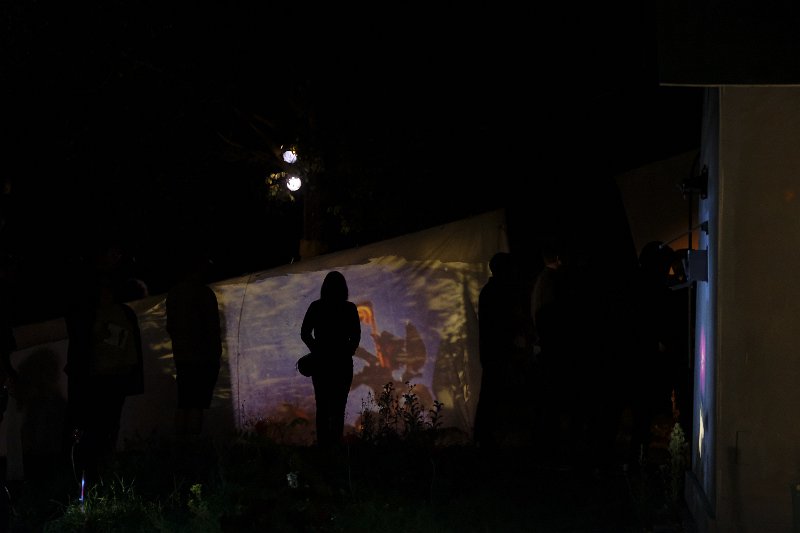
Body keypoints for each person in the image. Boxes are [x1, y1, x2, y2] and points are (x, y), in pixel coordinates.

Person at [63, 243, 145, 484]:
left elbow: (130, 349)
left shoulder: (122, 314)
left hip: (113, 379)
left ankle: (100, 472)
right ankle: (88, 474)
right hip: (96, 380)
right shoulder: (87, 315)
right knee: (93, 429)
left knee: (108, 427)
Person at [473, 252, 535, 449]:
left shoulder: (491, 291)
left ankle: (485, 436)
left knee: (491, 394)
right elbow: (504, 324)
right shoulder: (497, 293)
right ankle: (488, 437)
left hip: (494, 352)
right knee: (494, 394)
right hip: (499, 353)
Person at [300, 271, 361, 449]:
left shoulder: (316, 306)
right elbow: (356, 336)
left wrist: (317, 350)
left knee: (322, 407)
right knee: (338, 408)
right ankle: (336, 448)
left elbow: (305, 333)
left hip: (321, 364)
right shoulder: (349, 308)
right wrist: (346, 351)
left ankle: (323, 448)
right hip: (342, 364)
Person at [165, 250, 222, 438]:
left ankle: (181, 442)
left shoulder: (175, 294)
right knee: (197, 404)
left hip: (183, 357)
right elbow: (212, 328)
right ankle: (191, 442)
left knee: (185, 402)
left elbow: (171, 327)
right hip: (203, 358)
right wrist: (214, 355)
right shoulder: (204, 293)